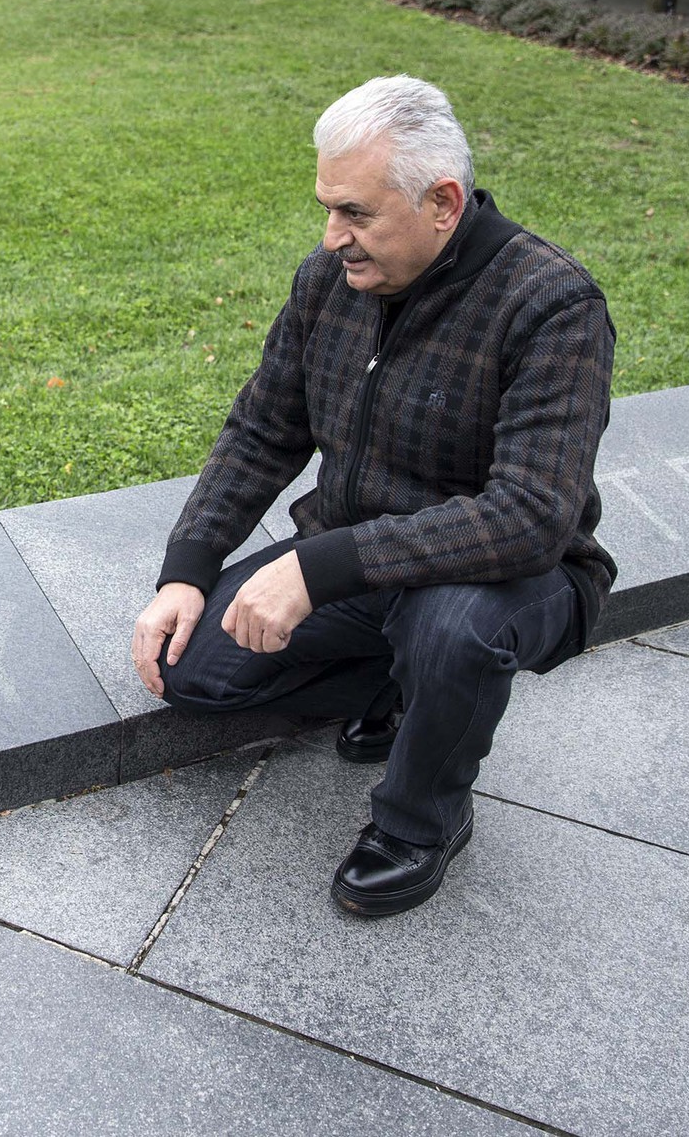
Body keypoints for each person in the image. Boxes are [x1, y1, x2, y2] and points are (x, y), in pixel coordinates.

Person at [129, 74, 616, 918]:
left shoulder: (552, 306)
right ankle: (402, 684)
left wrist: (317, 568)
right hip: (359, 562)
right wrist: (186, 568)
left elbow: (532, 516)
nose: (332, 239)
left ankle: (421, 820)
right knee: (192, 674)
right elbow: (262, 431)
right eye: (327, 209)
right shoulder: (326, 282)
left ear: (442, 202)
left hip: (512, 577)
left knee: (450, 628)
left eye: (355, 213)